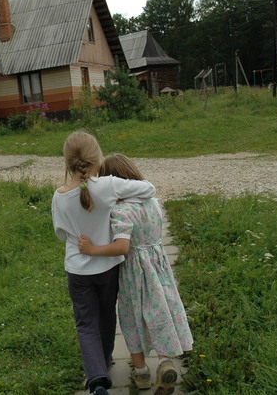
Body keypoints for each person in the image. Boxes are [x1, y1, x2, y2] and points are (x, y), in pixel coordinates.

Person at [78, 153, 193, 395]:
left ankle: (141, 373)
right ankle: (164, 362)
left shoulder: (122, 211)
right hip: (158, 266)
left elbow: (122, 247)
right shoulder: (154, 202)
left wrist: (92, 249)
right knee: (160, 310)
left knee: (131, 318)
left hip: (133, 271)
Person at [51, 133, 156, 395]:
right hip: (108, 267)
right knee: (107, 317)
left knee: (86, 323)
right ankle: (106, 359)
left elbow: (61, 234)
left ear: (67, 161)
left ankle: (97, 379)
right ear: (97, 157)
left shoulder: (59, 196)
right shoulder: (109, 185)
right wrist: (119, 200)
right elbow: (149, 189)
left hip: (77, 270)